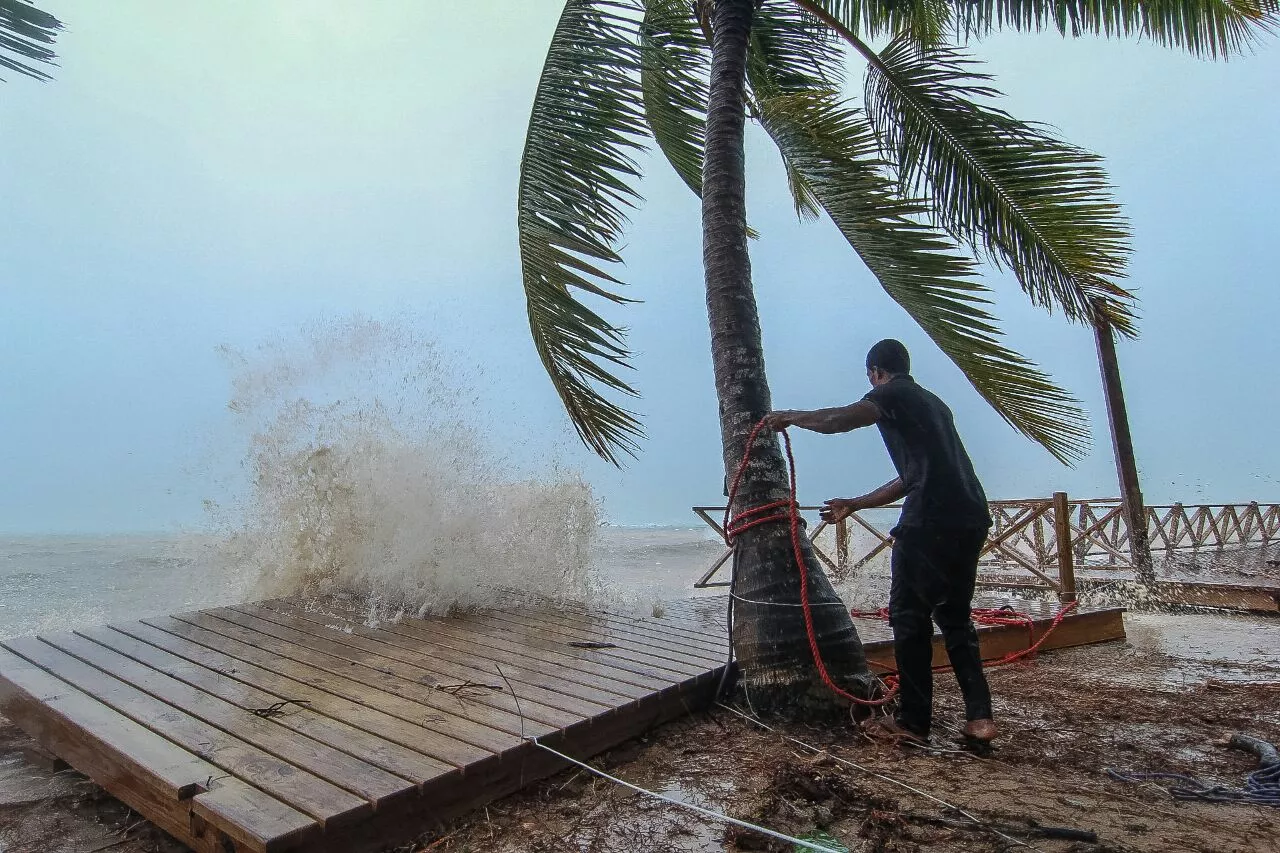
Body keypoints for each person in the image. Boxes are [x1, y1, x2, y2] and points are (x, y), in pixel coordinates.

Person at [761, 339, 997, 746]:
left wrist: (792, 417)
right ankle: (979, 718)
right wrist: (855, 504)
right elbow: (910, 477)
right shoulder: (934, 405)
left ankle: (912, 723)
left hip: (931, 517)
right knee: (955, 619)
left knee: (908, 617)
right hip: (971, 514)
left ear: (875, 372)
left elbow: (845, 417)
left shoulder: (891, 393)